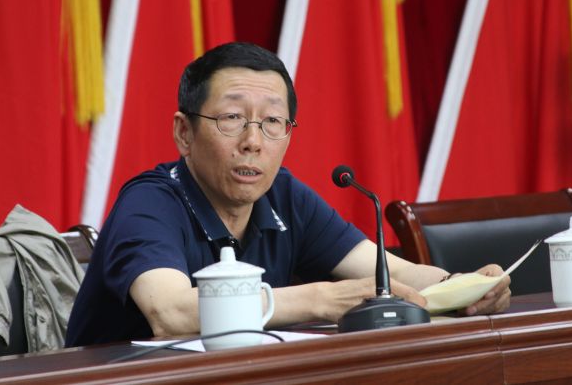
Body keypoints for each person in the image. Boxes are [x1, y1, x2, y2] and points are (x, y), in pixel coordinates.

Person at [65, 42, 511, 346]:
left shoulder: (283, 196)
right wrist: (319, 300)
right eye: (232, 118)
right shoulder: (148, 203)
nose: (253, 141)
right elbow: (172, 313)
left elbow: (392, 274)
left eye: (272, 122)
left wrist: (464, 287)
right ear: (185, 132)